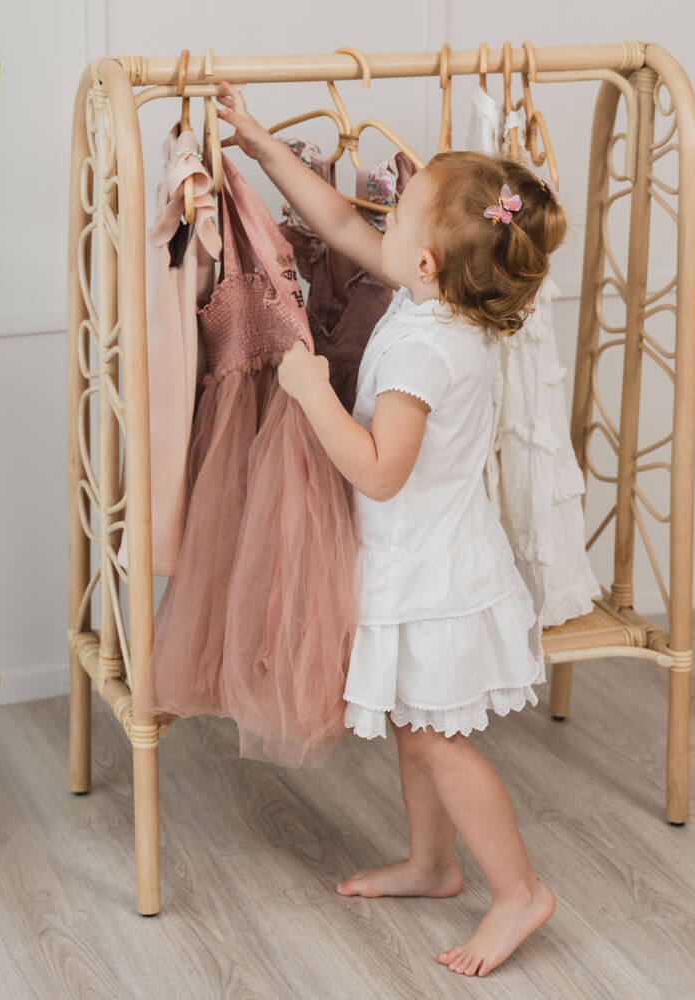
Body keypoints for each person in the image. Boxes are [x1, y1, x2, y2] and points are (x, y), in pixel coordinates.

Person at [215, 80, 565, 979]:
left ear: (424, 264)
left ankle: (518, 889)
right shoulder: (443, 307)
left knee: (439, 739)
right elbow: (335, 221)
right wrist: (258, 143)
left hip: (431, 576)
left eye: (400, 207)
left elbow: (376, 467)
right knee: (417, 724)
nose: (384, 205)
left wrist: (307, 391)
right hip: (428, 559)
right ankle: (432, 864)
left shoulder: (419, 349)